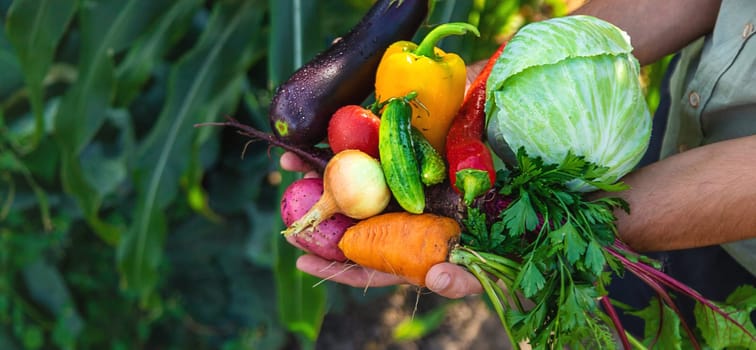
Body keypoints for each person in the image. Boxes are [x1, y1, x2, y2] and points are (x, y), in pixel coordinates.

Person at [281, 0, 756, 309]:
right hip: (652, 146)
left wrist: (553, 229)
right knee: (612, 305)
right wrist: (467, 91)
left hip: (741, 255)